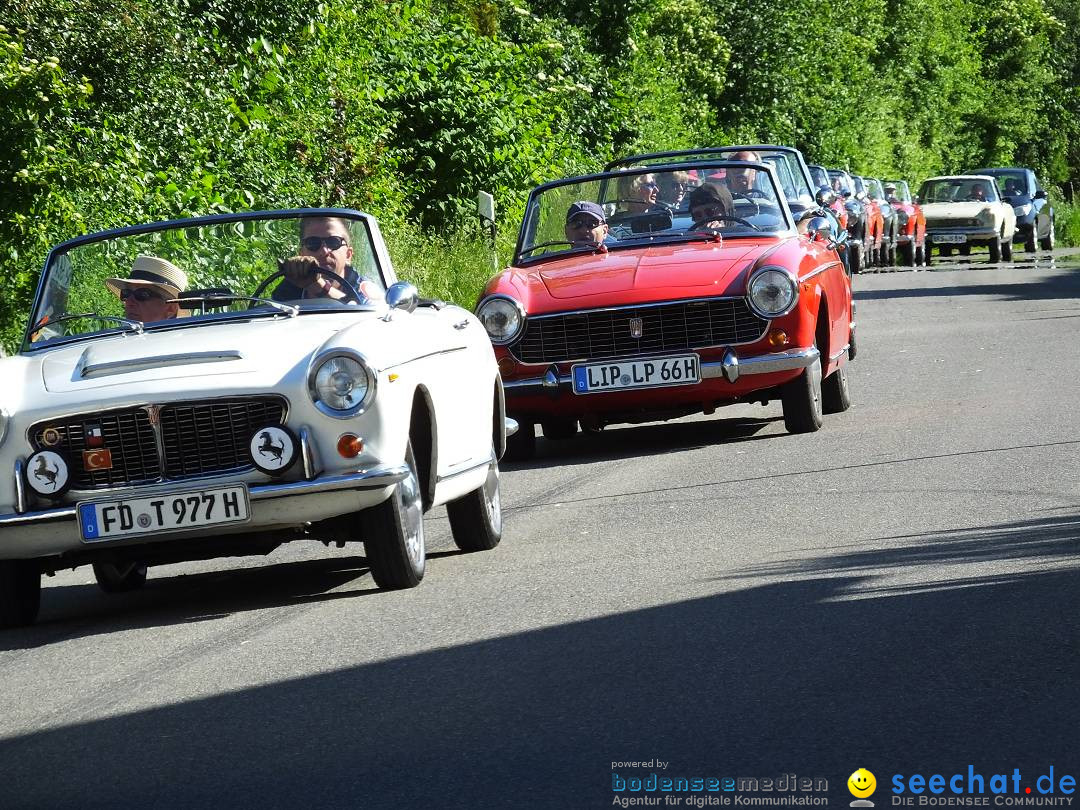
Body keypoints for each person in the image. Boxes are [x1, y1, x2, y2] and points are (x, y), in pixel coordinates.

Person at [274, 216, 376, 302]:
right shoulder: (286, 291)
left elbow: (365, 310)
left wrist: (318, 286)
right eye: (313, 243)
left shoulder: (364, 289)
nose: (324, 251)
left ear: (348, 255)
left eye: (333, 242)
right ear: (301, 254)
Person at [104, 254, 188, 323]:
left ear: (171, 308)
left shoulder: (180, 343)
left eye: (142, 294)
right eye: (126, 293)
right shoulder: (115, 339)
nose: (129, 301)